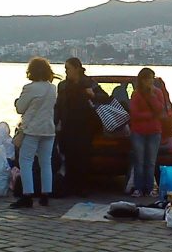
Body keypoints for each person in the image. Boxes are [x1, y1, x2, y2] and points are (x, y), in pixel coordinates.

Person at [55, 57, 106, 197]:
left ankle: (82, 187)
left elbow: (104, 97)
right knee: (69, 156)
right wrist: (56, 122)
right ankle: (70, 186)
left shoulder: (89, 83)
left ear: (77, 68)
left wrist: (93, 95)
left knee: (83, 157)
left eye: (68, 68)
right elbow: (58, 106)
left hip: (85, 126)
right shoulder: (63, 85)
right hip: (67, 126)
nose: (66, 71)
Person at [12, 57, 58, 208]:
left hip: (32, 130)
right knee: (46, 162)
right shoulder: (52, 88)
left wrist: (17, 101)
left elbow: (20, 108)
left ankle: (27, 196)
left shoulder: (30, 88)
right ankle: (45, 195)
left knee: (26, 162)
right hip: (48, 129)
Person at [128, 68, 167, 198]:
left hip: (154, 132)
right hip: (138, 132)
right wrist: (151, 115)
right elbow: (134, 113)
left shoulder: (158, 93)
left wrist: (152, 96)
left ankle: (149, 188)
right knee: (139, 161)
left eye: (151, 78)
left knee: (150, 162)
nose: (150, 81)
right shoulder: (136, 94)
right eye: (147, 78)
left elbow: (160, 109)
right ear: (142, 80)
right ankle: (138, 188)